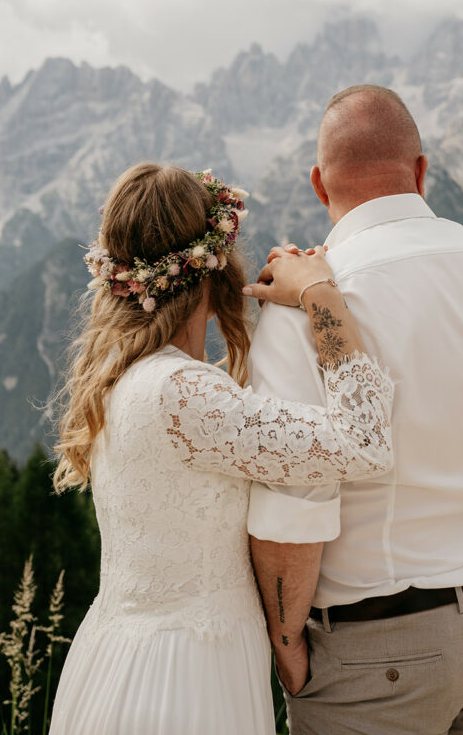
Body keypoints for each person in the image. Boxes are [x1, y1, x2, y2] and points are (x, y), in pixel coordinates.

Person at [248, 84, 463, 735]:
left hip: (376, 648)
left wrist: (285, 636)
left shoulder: (305, 304)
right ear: (421, 171)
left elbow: (296, 490)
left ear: (320, 185)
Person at [48, 162, 395, 735]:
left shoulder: (119, 381)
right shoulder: (185, 394)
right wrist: (319, 293)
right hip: (186, 678)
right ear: (214, 270)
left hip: (112, 660)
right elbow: (364, 440)